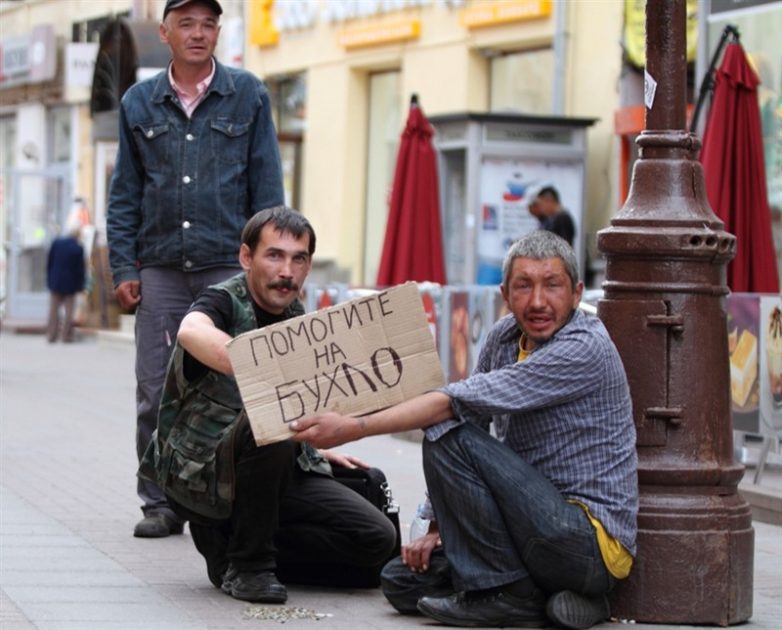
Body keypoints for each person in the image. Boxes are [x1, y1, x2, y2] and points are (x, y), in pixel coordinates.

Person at [291, 230, 638, 629]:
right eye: (524, 286)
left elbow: (452, 406)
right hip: (524, 530)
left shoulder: (584, 346)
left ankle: (514, 594)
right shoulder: (504, 337)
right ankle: (545, 597)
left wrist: (355, 426)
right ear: (506, 294)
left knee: (444, 433)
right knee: (401, 583)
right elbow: (472, 420)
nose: (538, 301)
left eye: (552, 286)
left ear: (577, 294)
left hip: (584, 544)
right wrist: (436, 526)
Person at [139, 206, 397, 603]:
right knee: (274, 420)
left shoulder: (295, 316)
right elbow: (191, 331)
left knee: (376, 542)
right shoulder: (222, 300)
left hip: (273, 462)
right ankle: (249, 567)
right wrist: (264, 371)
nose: (287, 271)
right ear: (247, 258)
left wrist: (316, 444)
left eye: (299, 259)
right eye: (274, 255)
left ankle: (234, 547)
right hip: (205, 471)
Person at [107, 0, 285, 538]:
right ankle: (159, 502)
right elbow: (125, 194)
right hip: (160, 267)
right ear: (165, 33)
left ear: (218, 32)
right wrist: (122, 266)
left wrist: (270, 264)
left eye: (209, 23)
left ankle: (231, 495)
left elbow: (267, 188)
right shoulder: (139, 102)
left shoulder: (248, 95)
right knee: (155, 386)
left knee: (240, 383)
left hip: (227, 268)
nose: (199, 33)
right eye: (187, 23)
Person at [46, 214, 86, 343]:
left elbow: (50, 262)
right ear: (78, 234)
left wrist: (49, 278)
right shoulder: (78, 248)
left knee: (53, 310)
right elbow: (80, 269)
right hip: (71, 284)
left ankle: (51, 335)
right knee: (69, 311)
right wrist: (81, 285)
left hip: (55, 281)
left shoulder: (56, 243)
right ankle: (66, 336)